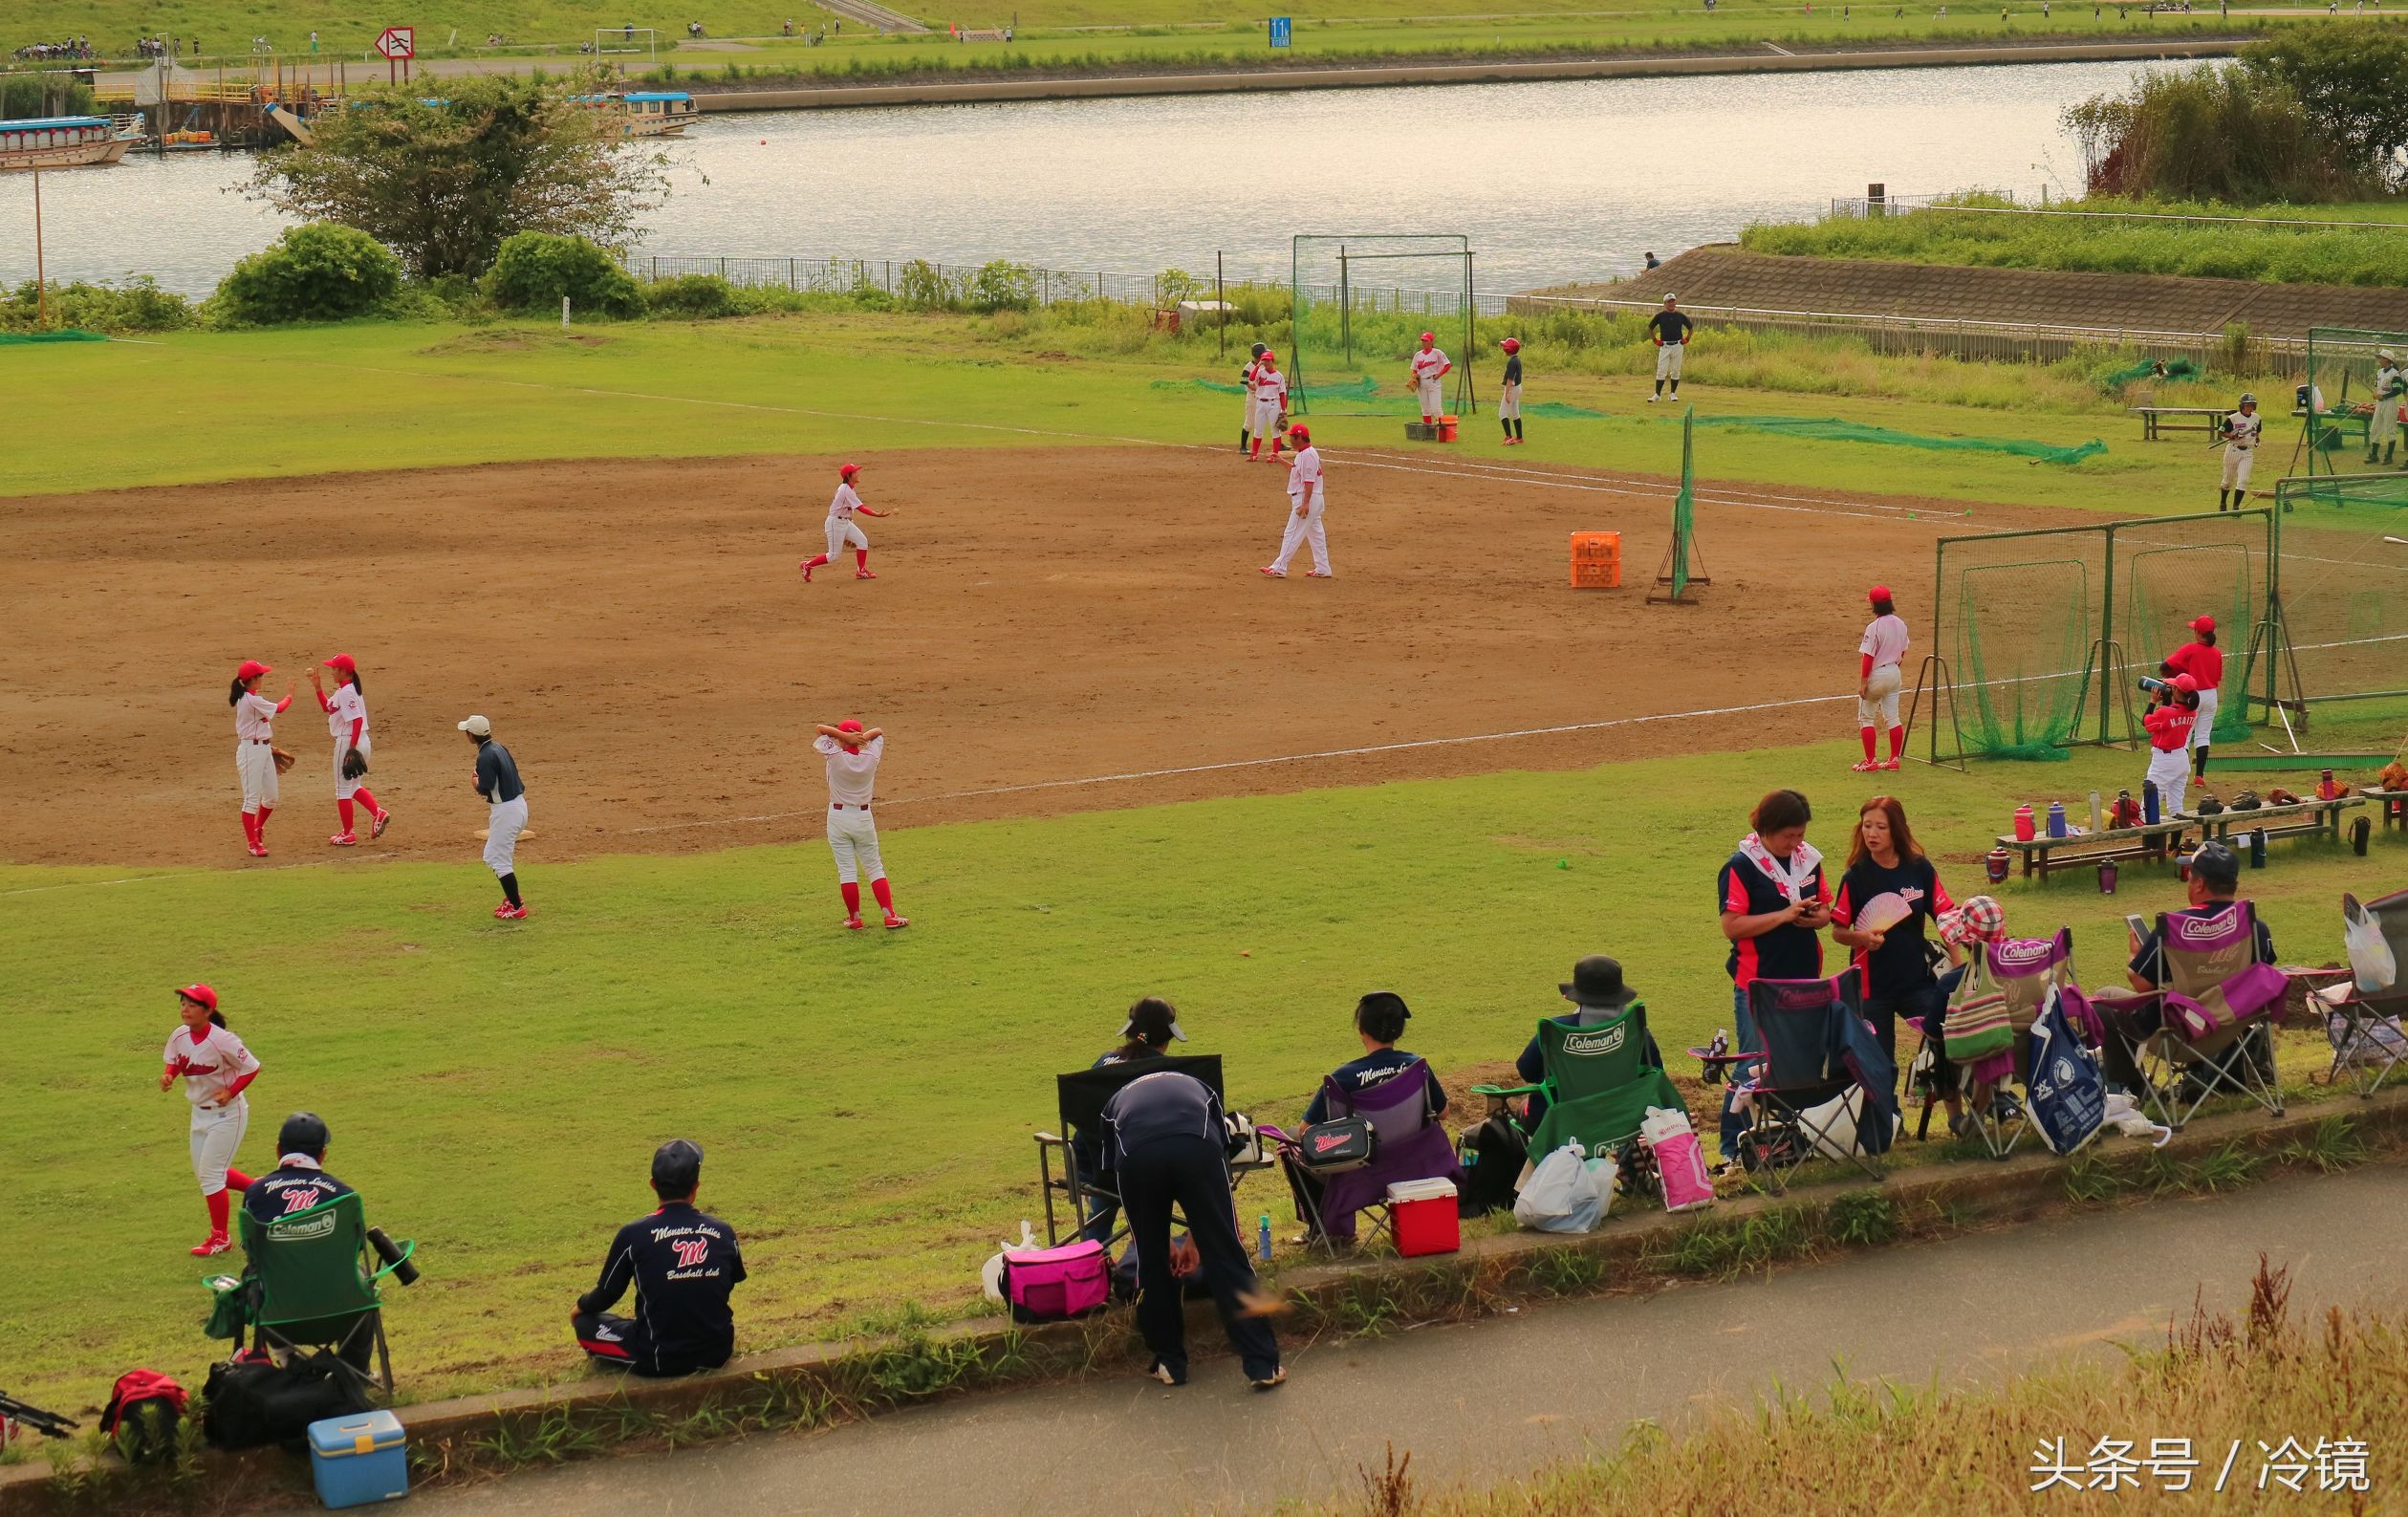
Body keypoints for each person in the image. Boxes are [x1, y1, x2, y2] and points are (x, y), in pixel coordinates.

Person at [1099, 1067, 1283, 1389]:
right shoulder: (1201, 1086)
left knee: (1151, 1262)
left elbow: (1113, 1169)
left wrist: (1158, 1241)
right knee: (1226, 1253)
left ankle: (1169, 1362)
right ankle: (1262, 1364)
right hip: (1196, 1147)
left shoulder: (1113, 1103)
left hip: (1137, 1156)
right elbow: (1220, 1153)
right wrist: (1199, 1239)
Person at [1285, 991, 1454, 1246]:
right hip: (1416, 1165)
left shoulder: (1343, 1077)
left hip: (1360, 1174)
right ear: (1399, 1031)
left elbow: (1306, 1130)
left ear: (1361, 1030)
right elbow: (1443, 1113)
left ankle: (1327, 1230)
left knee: (1290, 1140)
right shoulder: (1417, 1067)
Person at [1716, 789, 1830, 1164]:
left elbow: (1827, 910)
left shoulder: (1808, 860)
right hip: (1757, 982)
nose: (1796, 843)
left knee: (1795, 1059)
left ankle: (1785, 1140)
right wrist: (1783, 915)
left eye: (1800, 834)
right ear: (1766, 828)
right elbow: (1732, 926)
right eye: (1789, 836)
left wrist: (1815, 917)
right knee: (1752, 1064)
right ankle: (1733, 1149)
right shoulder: (1740, 866)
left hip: (1804, 979)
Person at [574, 1139, 747, 1376]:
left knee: (585, 1324)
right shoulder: (723, 1231)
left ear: (653, 1185)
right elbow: (732, 1279)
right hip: (718, 1352)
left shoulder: (633, 1234)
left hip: (658, 1358)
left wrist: (580, 1307)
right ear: (696, 1187)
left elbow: (607, 1294)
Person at [1828, 796, 1956, 1071]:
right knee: (1879, 1067)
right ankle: (1888, 1114)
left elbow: (1947, 919)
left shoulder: (1920, 869)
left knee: (1949, 1046)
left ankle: (1955, 1111)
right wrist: (1861, 938)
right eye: (1867, 826)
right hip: (1871, 987)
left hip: (1918, 982)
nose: (1872, 834)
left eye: (1881, 827)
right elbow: (1838, 931)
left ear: (1896, 829)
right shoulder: (1856, 876)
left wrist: (1959, 970)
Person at [1074, 997, 1183, 1242]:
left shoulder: (1104, 1061)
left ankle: (1093, 1263)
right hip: (1145, 1170)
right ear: (1168, 1038)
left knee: (1105, 1191)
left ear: (1130, 1032)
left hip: (1094, 1169)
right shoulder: (1164, 1071)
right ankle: (1152, 1255)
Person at [163, 984, 259, 1256]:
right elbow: (177, 1060)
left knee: (211, 1176)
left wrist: (231, 1091)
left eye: (192, 1005)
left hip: (227, 1115)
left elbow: (252, 1067)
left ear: (208, 1011)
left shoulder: (223, 1040)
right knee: (208, 1173)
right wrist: (170, 1074)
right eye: (183, 1003)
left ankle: (220, 1237)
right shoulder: (180, 1035)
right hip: (199, 1114)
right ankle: (260, 1190)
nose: (185, 1009)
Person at [1514, 955, 1661, 1128]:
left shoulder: (1556, 1030)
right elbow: (1656, 1070)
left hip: (1558, 1125)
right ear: (1619, 994)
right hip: (1621, 1120)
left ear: (1577, 996)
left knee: (1523, 1108)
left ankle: (1542, 1155)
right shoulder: (1634, 1030)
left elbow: (1526, 1071)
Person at [814, 718, 907, 929]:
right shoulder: (870, 756)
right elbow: (879, 731)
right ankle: (889, 915)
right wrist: (859, 738)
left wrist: (844, 737)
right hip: (863, 818)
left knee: (846, 871)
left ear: (842, 738)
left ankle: (855, 919)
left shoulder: (835, 755)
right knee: (875, 867)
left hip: (837, 818)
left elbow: (820, 729)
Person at [309, 655, 390, 847]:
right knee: (353, 787)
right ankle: (378, 813)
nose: (332, 672)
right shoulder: (346, 690)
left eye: (335, 669)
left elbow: (357, 720)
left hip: (349, 741)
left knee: (342, 790)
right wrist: (318, 688)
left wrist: (351, 749)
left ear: (345, 671)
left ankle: (347, 834)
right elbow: (327, 708)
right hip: (362, 740)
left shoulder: (346, 692)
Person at [459, 714, 529, 919]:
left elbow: (485, 788)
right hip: (518, 805)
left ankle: (517, 907)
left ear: (471, 735)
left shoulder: (485, 756)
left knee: (499, 860)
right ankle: (512, 896)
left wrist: (474, 782)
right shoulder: (499, 748)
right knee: (492, 854)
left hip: (506, 811)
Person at [228, 660, 293, 857]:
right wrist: (290, 695)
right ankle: (252, 843)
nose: (263, 678)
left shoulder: (250, 697)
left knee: (272, 797)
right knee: (251, 800)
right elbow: (280, 708)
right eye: (261, 675)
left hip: (263, 749)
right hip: (250, 753)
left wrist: (267, 748)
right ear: (252, 679)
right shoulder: (250, 699)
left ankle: (257, 829)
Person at [802, 463, 895, 582]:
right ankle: (807, 565)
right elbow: (861, 508)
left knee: (862, 541)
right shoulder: (846, 490)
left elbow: (848, 510)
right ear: (849, 476)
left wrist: (847, 532)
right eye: (855, 472)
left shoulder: (848, 488)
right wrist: (877, 515)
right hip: (835, 523)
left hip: (844, 522)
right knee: (833, 555)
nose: (858, 474)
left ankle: (861, 571)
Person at [1261, 423, 1330, 579]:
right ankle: (1323, 568)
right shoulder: (1305, 453)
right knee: (1316, 535)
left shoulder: (1308, 455)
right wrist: (1280, 460)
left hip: (1307, 499)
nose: (1290, 440)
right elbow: (1297, 470)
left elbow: (1309, 481)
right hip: (1313, 499)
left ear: (1299, 438)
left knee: (1292, 533)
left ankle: (1279, 567)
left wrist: (1305, 504)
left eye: (1292, 437)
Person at [2160, 615, 2224, 780]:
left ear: (2198, 632)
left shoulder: (2190, 649)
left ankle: (2183, 773)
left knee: (2185, 735)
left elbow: (2165, 667)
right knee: (2203, 735)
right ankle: (2199, 776)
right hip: (2211, 696)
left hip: (2193, 695)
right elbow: (2216, 677)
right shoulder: (2217, 653)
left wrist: (2177, 675)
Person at [1855, 585, 1910, 772]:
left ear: (1873, 604)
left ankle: (1871, 761)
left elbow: (1868, 657)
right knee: (1893, 718)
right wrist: (1893, 670)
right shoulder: (1901, 623)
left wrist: (1863, 683)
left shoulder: (1874, 627)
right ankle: (1894, 759)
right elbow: (1903, 649)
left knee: (1866, 718)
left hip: (1877, 675)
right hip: (1895, 673)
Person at [2141, 674, 2200, 817]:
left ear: (2176, 691)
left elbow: (2146, 723)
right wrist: (2168, 698)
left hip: (2164, 762)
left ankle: (2153, 840)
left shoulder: (2165, 712)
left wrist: (2152, 701)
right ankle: (2175, 841)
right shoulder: (2192, 712)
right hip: (2181, 759)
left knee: (2147, 807)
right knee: (2176, 808)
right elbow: (2173, 712)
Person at [2217, 392, 2260, 511]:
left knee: (2243, 480)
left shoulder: (2257, 418)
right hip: (2233, 450)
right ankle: (2223, 503)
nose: (2249, 408)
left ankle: (2236, 507)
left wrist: (2257, 439)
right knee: (2227, 481)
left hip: (2247, 452)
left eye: (2252, 405)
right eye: (2247, 405)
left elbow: (2257, 431)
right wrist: (2230, 435)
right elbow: (2221, 431)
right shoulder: (2233, 418)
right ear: (2241, 406)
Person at [1647, 293, 1693, 403]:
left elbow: (1690, 328)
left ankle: (1672, 394)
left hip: (1678, 345)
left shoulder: (1680, 316)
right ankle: (1657, 394)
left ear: (1675, 302)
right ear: (1664, 304)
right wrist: (1655, 340)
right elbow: (1650, 328)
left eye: (1673, 301)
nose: (1671, 303)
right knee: (1661, 370)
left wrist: (1687, 339)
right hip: (1665, 345)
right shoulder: (1660, 316)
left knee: (1676, 370)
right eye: (1669, 301)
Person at [1247, 350, 1288, 463]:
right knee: (1258, 429)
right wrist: (1258, 365)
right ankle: (1254, 454)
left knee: (1275, 430)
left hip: (1274, 404)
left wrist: (1283, 409)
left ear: (1272, 361)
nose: (1266, 362)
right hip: (1260, 403)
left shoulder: (1279, 376)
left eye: (1268, 360)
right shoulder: (1260, 373)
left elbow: (1282, 394)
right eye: (1264, 360)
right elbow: (1250, 378)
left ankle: (1274, 456)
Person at [1407, 331, 1451, 427]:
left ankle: (1442, 431)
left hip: (1434, 382)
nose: (1424, 343)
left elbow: (1448, 365)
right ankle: (1427, 430)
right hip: (1421, 383)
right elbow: (1413, 369)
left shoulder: (1437, 352)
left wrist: (1438, 375)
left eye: (1426, 341)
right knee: (1425, 409)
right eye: (1422, 340)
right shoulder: (1418, 355)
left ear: (1431, 342)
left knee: (1436, 409)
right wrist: (1414, 377)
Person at [2370, 348, 2403, 467]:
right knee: (2374, 428)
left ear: (2387, 360)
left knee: (2390, 428)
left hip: (2390, 403)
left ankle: (2389, 457)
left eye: (2381, 358)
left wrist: (2384, 396)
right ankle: (2374, 455)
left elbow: (2397, 390)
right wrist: (2375, 394)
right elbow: (2376, 386)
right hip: (2380, 403)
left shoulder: (2395, 374)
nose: (2379, 360)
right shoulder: (2379, 372)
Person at [1238, 340, 1268, 455]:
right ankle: (1243, 447)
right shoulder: (1248, 367)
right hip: (1253, 398)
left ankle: (1279, 444)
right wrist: (1258, 389)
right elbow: (1245, 382)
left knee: (1273, 419)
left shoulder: (1265, 365)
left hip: (1264, 397)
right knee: (1250, 422)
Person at [1497, 336, 1525, 444]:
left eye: (1505, 347)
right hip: (1517, 388)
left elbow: (1510, 378)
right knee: (1515, 413)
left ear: (1508, 350)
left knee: (1502, 414)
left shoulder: (1512, 362)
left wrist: (1507, 393)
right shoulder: (1516, 359)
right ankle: (1519, 437)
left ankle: (1509, 437)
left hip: (1512, 389)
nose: (1504, 348)